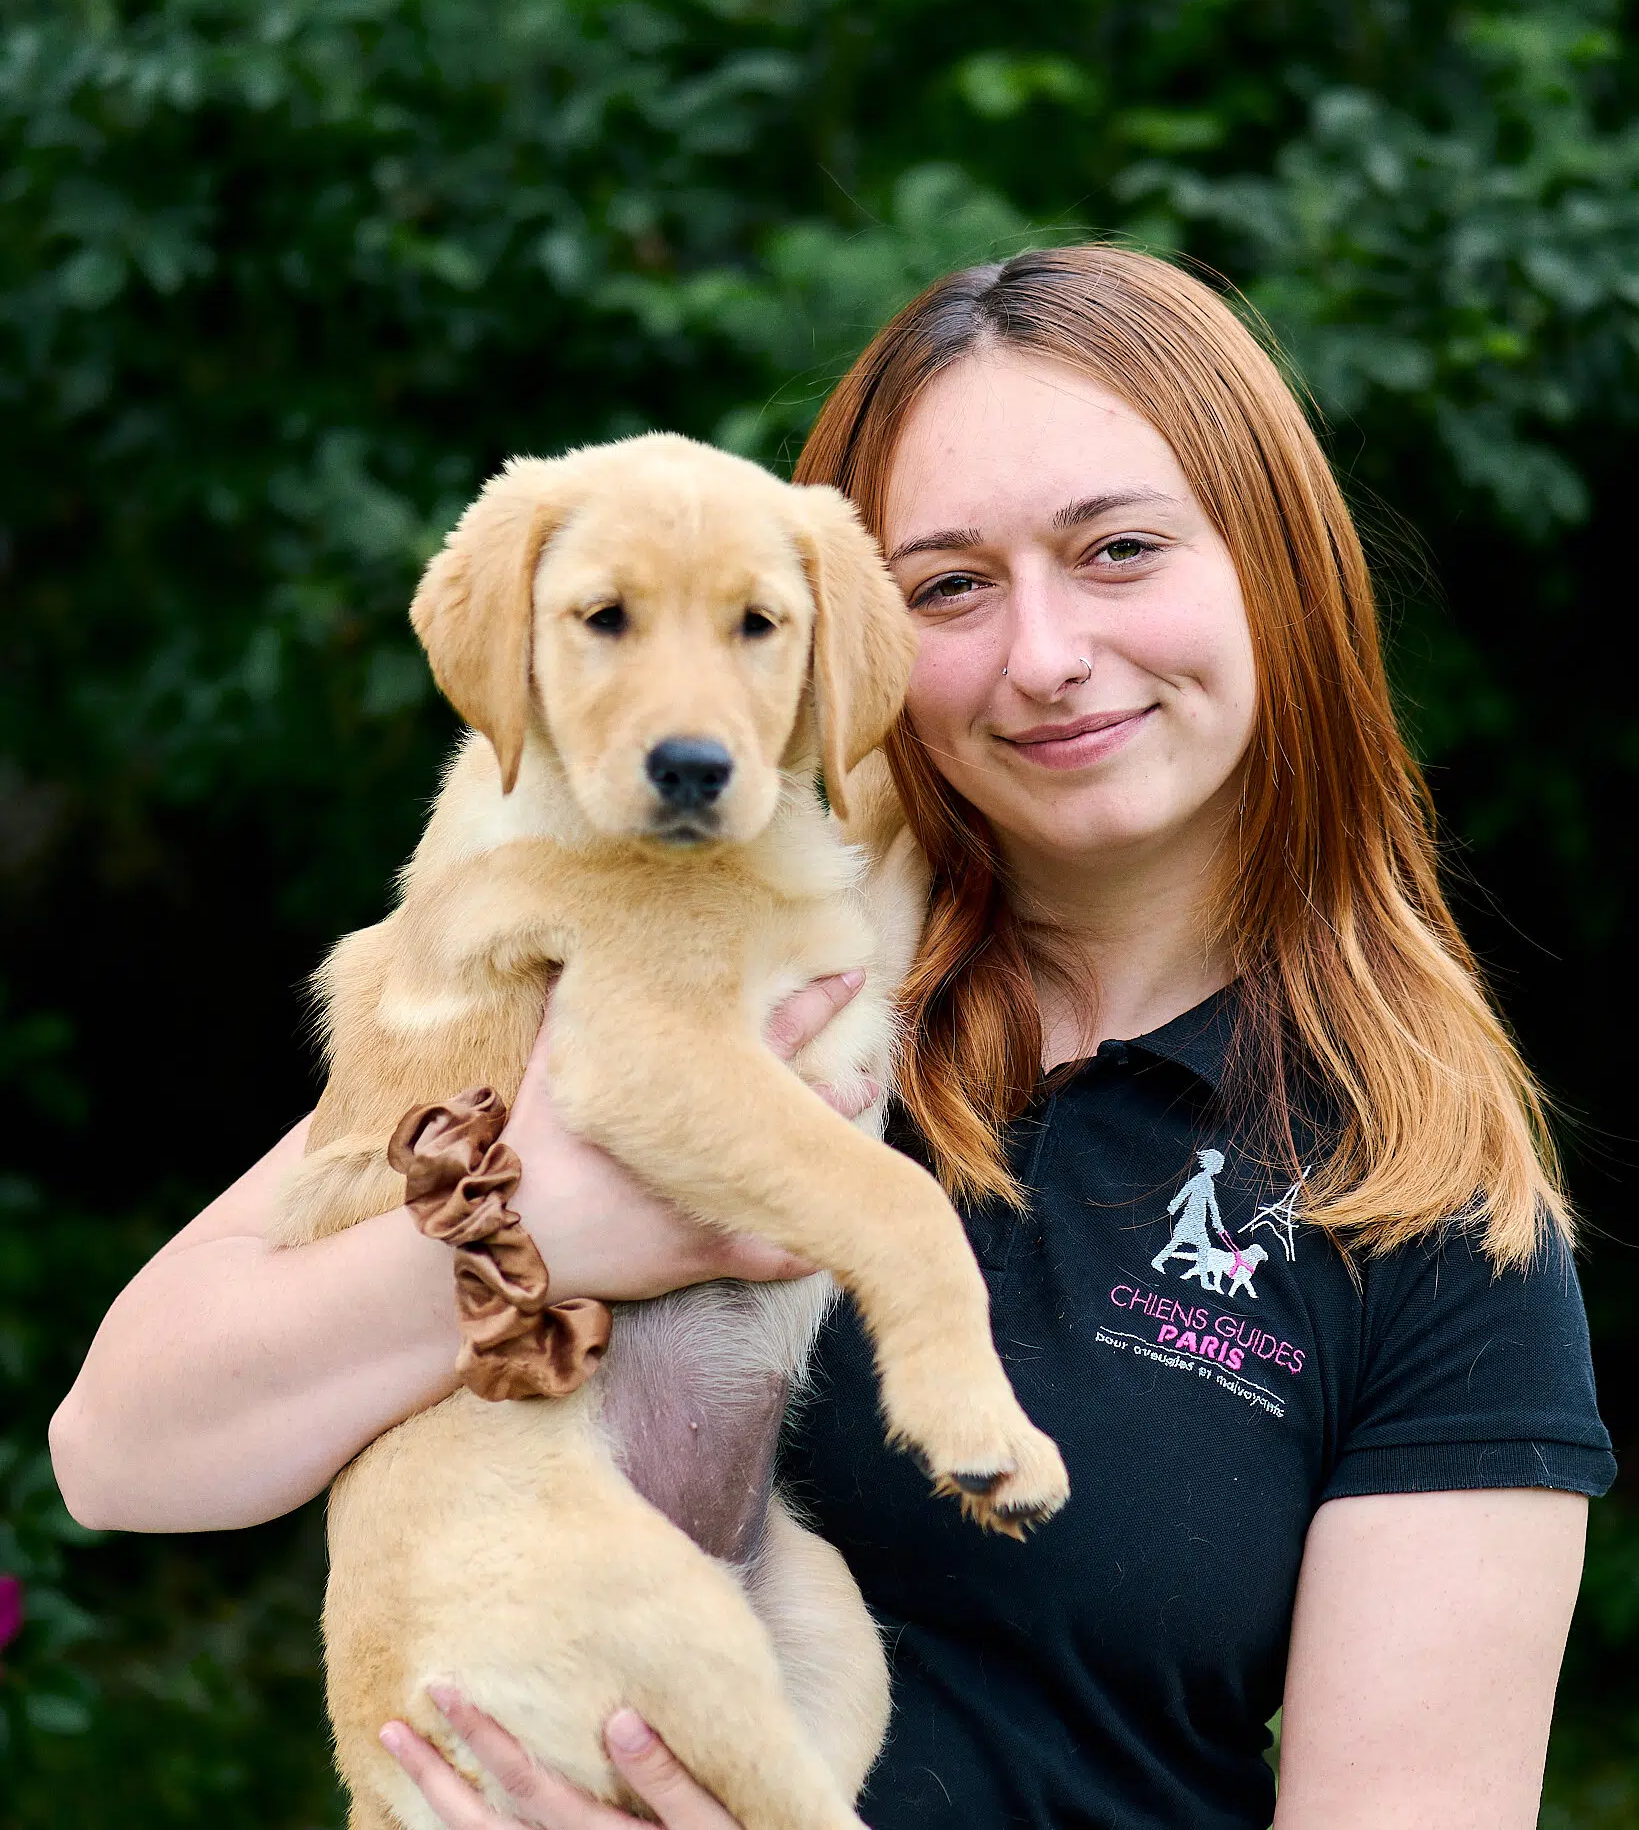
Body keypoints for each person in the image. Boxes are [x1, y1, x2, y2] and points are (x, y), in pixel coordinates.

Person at [50, 247, 1613, 1830]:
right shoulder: (737, 942)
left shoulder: (1425, 1202)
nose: (1045, 655)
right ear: (863, 639)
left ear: (1277, 567)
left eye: (1120, 549)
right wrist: (553, 1222)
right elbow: (121, 1454)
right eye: (949, 585)